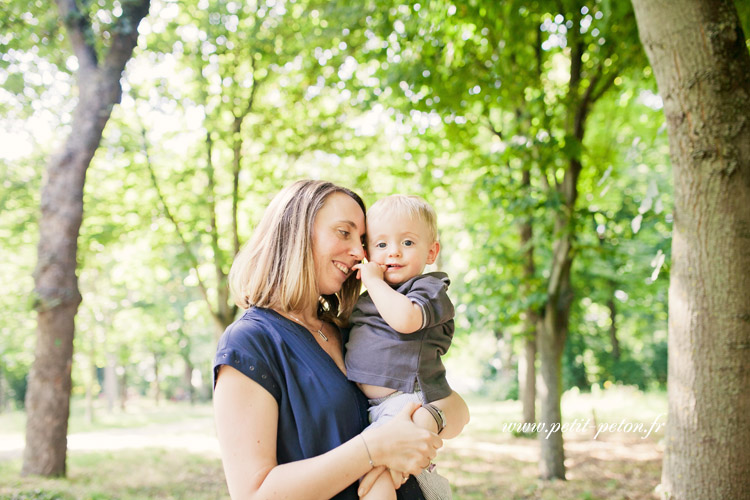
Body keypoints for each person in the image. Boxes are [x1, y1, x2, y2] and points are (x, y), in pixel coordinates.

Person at [213, 180, 470, 500]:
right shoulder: (251, 343)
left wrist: (433, 417)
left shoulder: (349, 331)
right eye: (344, 232)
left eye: (362, 240)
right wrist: (374, 449)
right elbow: (254, 495)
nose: (359, 252)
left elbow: (454, 407)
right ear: (295, 233)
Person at [345, 195, 459, 500]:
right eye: (381, 245)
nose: (393, 251)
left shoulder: (428, 289)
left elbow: (406, 319)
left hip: (407, 400)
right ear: (368, 251)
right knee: (379, 473)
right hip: (380, 407)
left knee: (375, 478)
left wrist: (374, 281)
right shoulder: (372, 300)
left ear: (431, 251)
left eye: (407, 242)